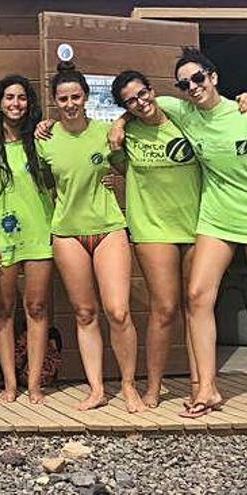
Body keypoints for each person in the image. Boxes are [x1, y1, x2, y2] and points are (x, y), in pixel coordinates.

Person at [110, 48, 247, 417]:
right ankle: (208, 389)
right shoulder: (183, 109)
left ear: (214, 76)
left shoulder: (240, 113)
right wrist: (119, 123)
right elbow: (134, 106)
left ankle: (204, 386)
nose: (193, 87)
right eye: (185, 83)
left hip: (221, 214)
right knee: (197, 296)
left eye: (198, 78)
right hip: (217, 217)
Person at [36, 61, 144, 413]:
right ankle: (96, 388)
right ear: (55, 101)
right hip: (67, 233)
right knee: (84, 313)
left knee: (117, 310)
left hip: (109, 228)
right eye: (63, 98)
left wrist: (122, 124)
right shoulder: (46, 140)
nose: (70, 104)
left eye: (76, 97)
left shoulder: (105, 132)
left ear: (85, 97)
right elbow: (46, 183)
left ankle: (128, 386)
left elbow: (127, 168)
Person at [107, 70, 201, 409]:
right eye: (130, 101)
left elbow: (213, 109)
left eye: (142, 94)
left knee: (198, 307)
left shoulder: (182, 116)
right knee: (164, 308)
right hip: (151, 228)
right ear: (124, 107)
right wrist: (119, 121)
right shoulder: (126, 132)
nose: (140, 103)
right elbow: (118, 166)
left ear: (152, 90)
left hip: (194, 224)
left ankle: (199, 383)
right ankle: (154, 386)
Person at [0, 75, 54, 404]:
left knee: (36, 307)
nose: (16, 104)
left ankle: (33, 383)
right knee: (3, 308)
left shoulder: (40, 139)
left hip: (40, 232)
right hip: (1, 235)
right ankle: (10, 383)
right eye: (9, 98)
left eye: (22, 98)